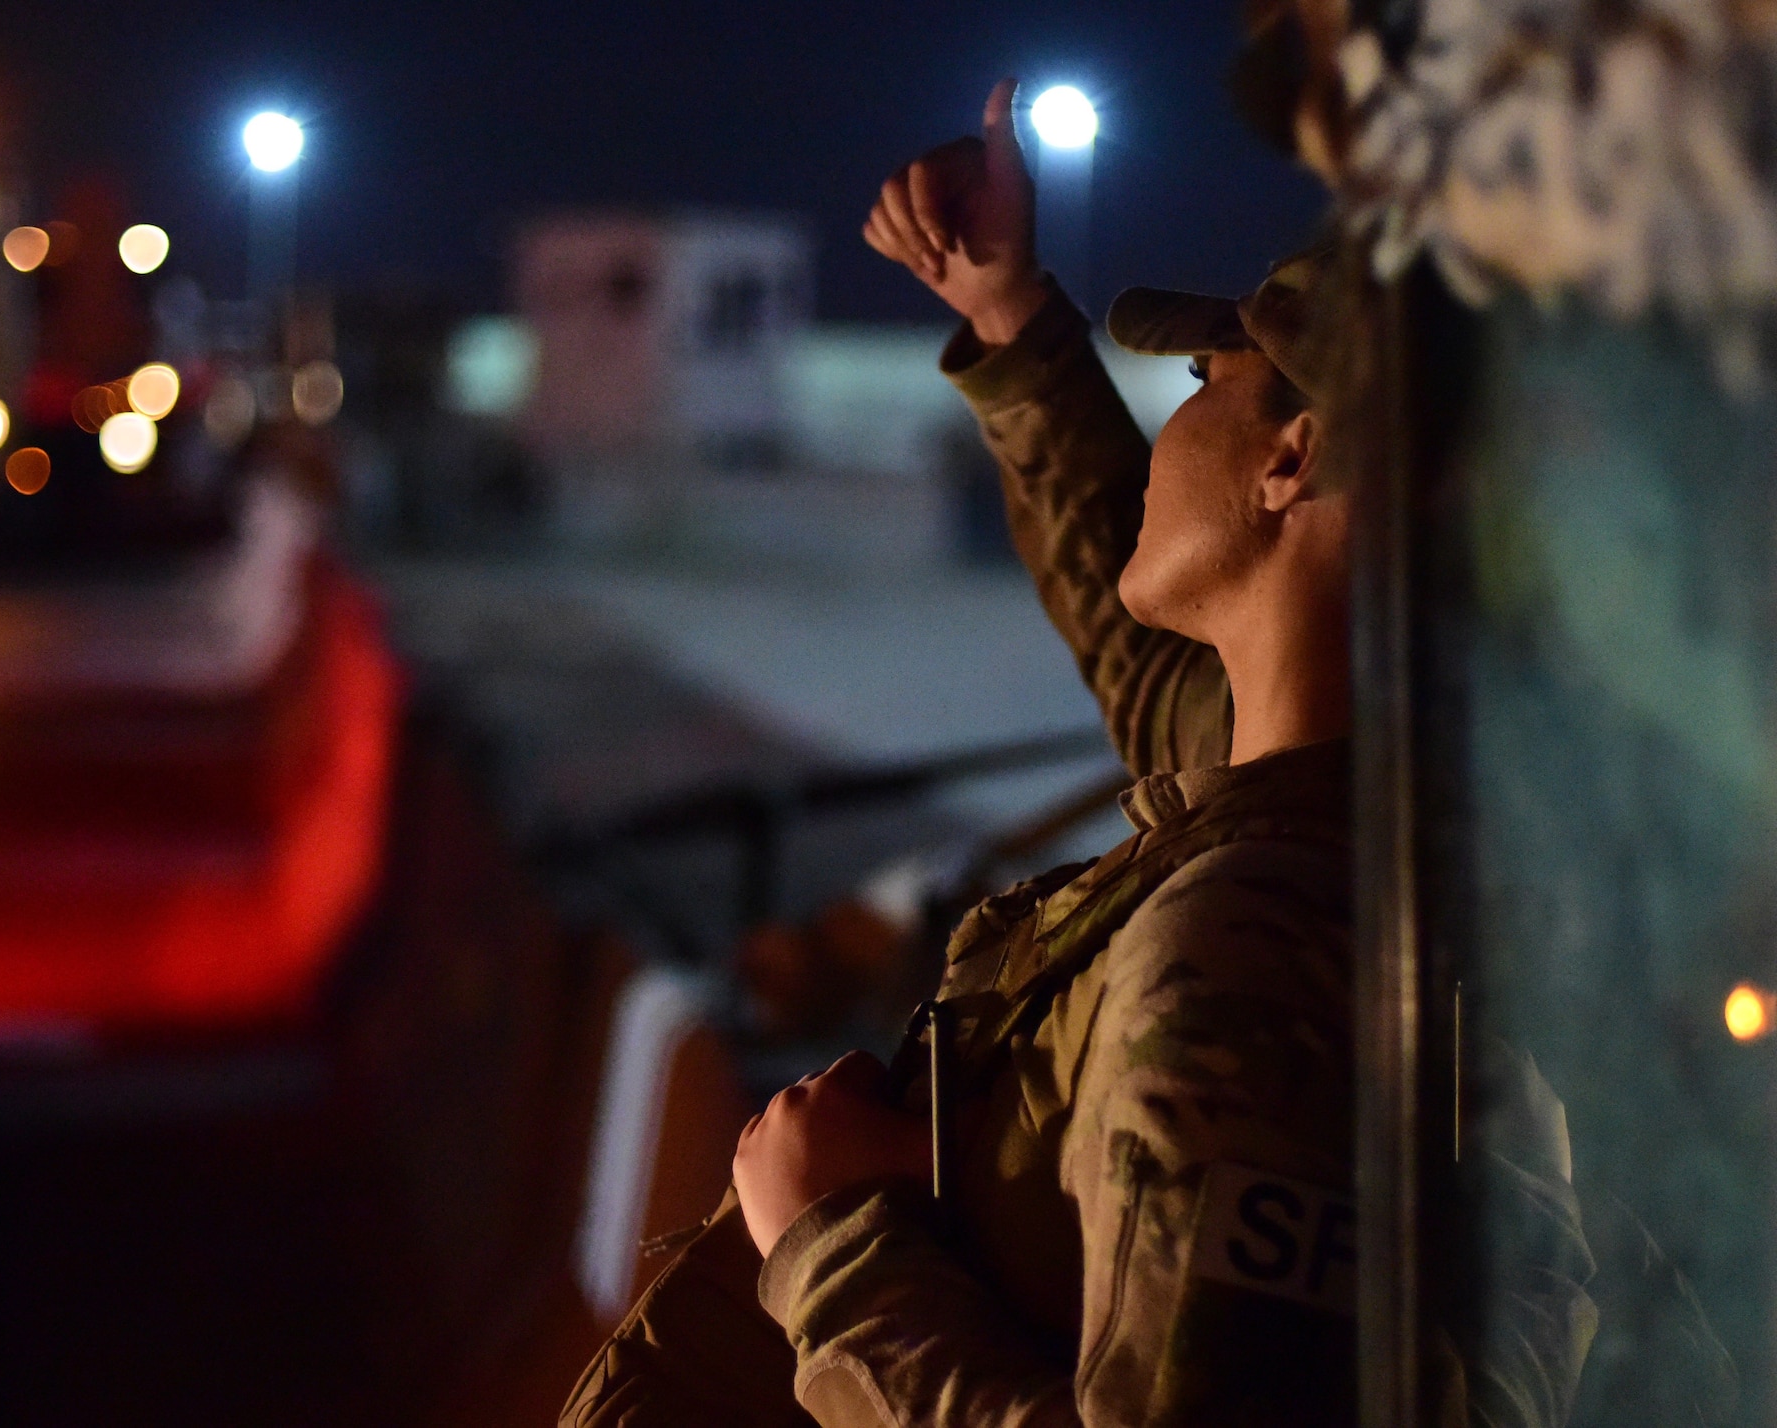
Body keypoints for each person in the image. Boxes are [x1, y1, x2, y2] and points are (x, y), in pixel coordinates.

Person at [562, 77, 1595, 1428]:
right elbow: (1144, 635)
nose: (1174, 421)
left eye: (1206, 380)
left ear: (1295, 457)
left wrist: (840, 1248)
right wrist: (1009, 320)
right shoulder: (1328, 803)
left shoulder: (1263, 936)